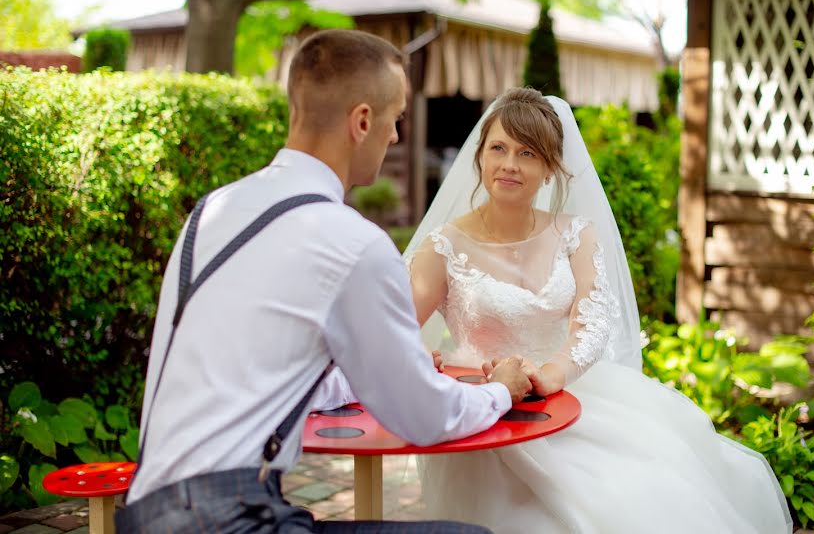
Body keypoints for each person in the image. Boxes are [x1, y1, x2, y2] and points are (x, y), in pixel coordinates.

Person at [117, 30, 532, 533]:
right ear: (362, 121)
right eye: (395, 119)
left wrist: (377, 371)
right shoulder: (351, 241)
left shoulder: (211, 212)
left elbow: (266, 371)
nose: (397, 136)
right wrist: (502, 392)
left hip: (148, 512)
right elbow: (423, 416)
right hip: (226, 520)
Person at [403, 87, 793, 534]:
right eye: (499, 148)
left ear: (550, 168)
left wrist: (553, 374)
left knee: (645, 494)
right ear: (480, 157)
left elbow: (593, 320)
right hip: (490, 417)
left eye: (527, 153)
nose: (510, 164)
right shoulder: (445, 247)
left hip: (576, 395)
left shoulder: (575, 234)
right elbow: (392, 329)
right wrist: (422, 362)